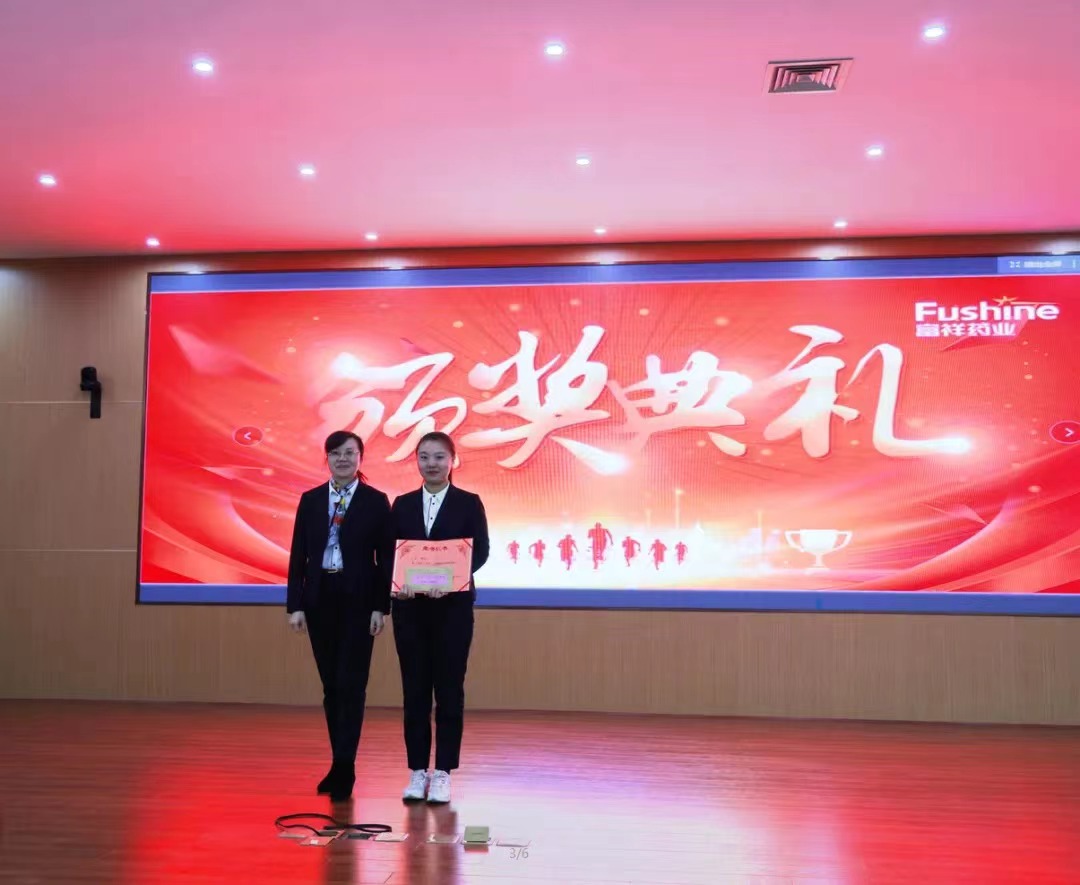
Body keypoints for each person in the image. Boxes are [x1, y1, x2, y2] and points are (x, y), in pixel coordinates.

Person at [287, 430, 392, 802]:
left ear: (360, 457)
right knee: (331, 687)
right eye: (335, 453)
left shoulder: (376, 501)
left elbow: (385, 560)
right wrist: (296, 605)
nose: (343, 459)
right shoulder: (311, 500)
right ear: (327, 458)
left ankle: (345, 766)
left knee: (352, 685)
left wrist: (381, 606)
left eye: (350, 452)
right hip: (320, 599)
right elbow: (298, 554)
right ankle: (338, 761)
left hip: (359, 602)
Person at [390, 431, 489, 804]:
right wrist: (398, 583)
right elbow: (392, 553)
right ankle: (418, 771)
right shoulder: (401, 504)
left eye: (439, 457)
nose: (431, 464)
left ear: (452, 461)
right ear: (416, 460)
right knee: (414, 691)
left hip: (453, 612)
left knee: (449, 691)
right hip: (410, 611)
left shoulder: (469, 503)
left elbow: (480, 551)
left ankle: (444, 771)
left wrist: (446, 582)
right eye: (424, 457)